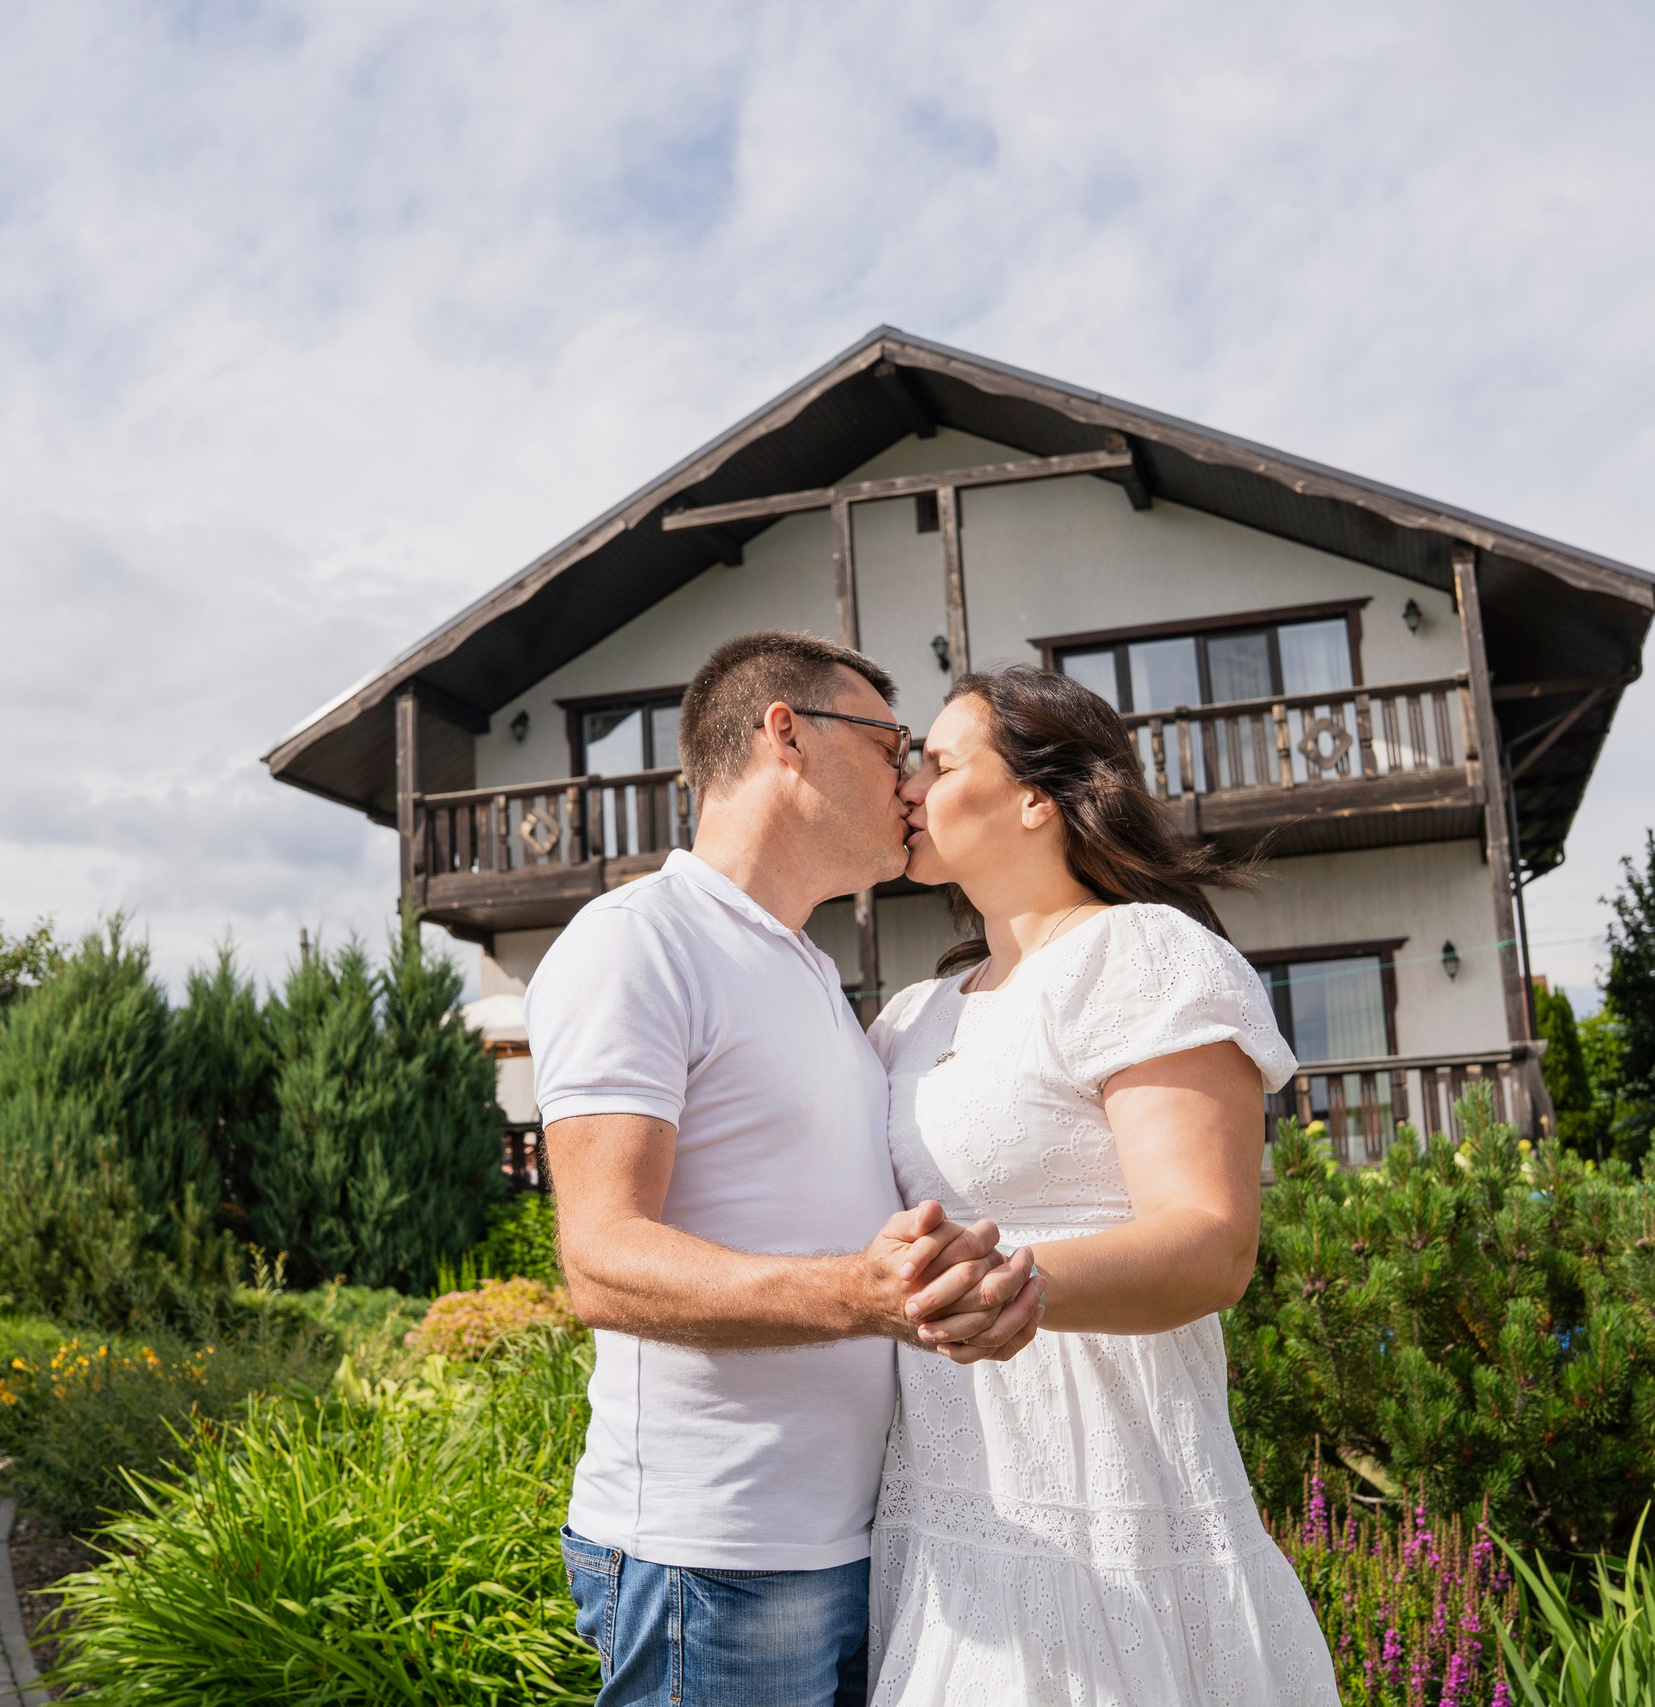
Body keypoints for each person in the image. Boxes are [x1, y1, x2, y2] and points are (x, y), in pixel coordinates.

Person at [526, 631, 1048, 1707]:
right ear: (787, 736)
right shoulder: (638, 942)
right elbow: (602, 1262)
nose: (908, 781)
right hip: (713, 1556)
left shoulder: (806, 968)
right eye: (890, 744)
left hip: (847, 1544)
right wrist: (860, 1293)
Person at [866, 665, 1339, 1706]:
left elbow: (1211, 1243)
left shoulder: (1147, 957)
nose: (906, 785)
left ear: (1037, 798)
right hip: (949, 1517)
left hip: (1109, 1504)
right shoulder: (910, 1016)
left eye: (937, 763)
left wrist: (1005, 1284)